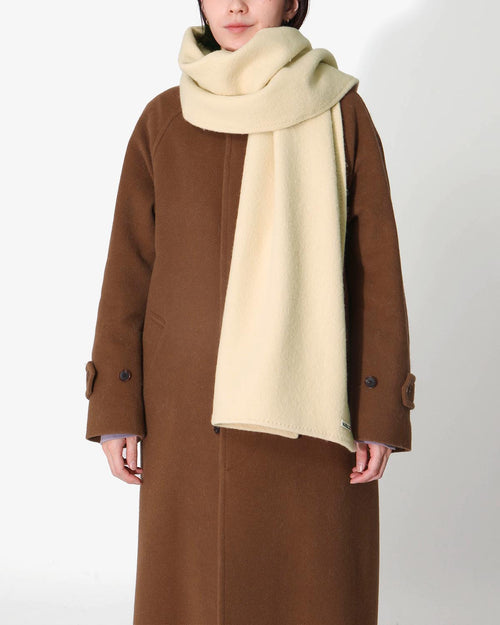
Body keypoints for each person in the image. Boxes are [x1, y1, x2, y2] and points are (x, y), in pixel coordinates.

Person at [85, 1, 416, 624]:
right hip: (188, 418)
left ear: (292, 3)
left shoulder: (340, 111)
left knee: (313, 594)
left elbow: (376, 273)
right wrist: (115, 406)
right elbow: (129, 272)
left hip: (314, 415)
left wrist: (380, 410)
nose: (235, 4)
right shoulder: (164, 119)